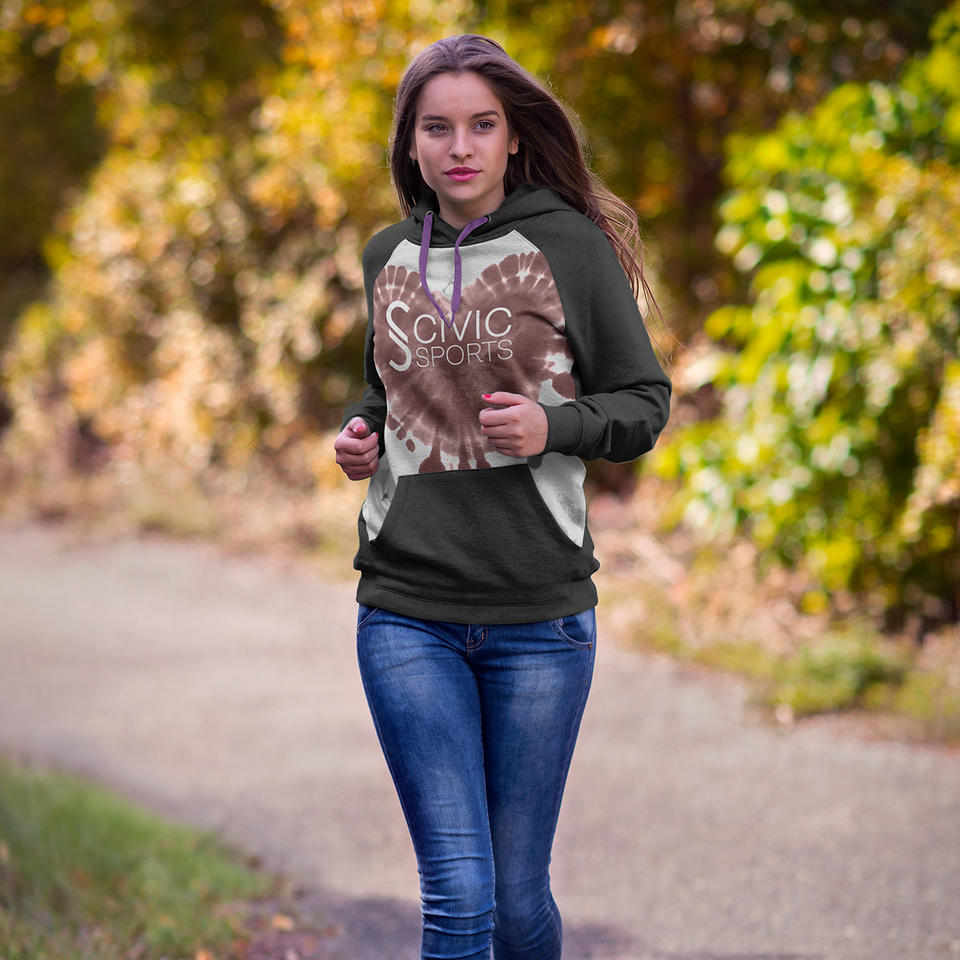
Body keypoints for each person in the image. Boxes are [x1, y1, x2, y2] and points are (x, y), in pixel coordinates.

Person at [333, 34, 671, 960]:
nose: (460, 147)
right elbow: (387, 391)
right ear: (410, 145)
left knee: (518, 903)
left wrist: (553, 426)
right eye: (437, 129)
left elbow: (643, 404)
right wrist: (360, 434)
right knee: (459, 894)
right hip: (407, 609)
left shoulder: (569, 247)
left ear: (515, 136)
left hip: (540, 619)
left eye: (482, 125)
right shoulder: (385, 256)